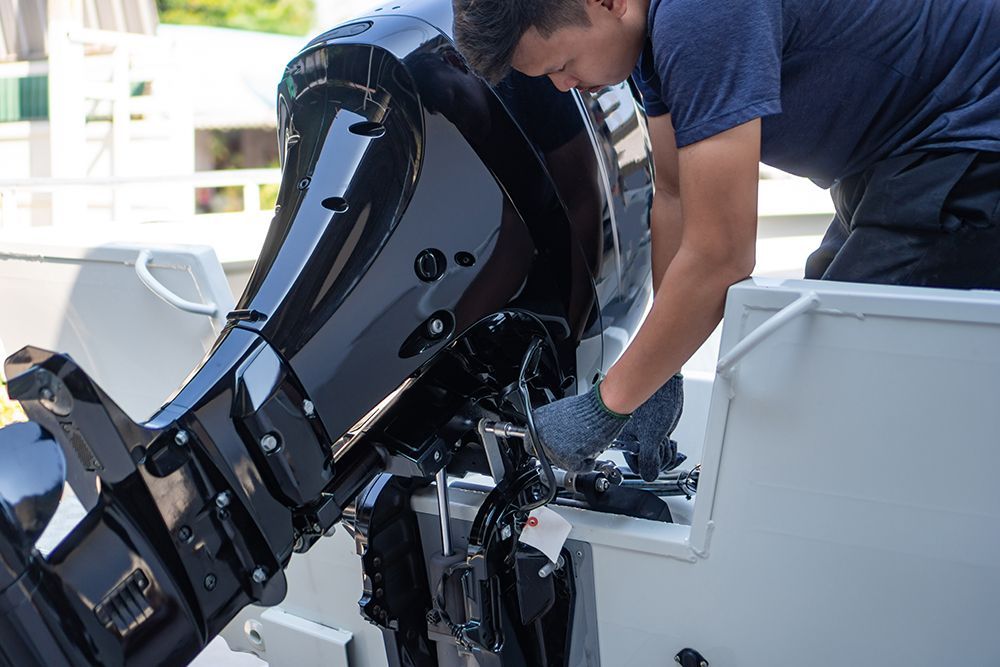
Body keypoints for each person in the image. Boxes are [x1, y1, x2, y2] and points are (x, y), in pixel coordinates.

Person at [451, 0, 1000, 476]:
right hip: (898, 153)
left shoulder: (699, 16)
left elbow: (722, 257)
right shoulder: (647, 36)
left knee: (842, 379)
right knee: (810, 359)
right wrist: (656, 373)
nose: (563, 86)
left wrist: (604, 406)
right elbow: (674, 195)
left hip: (972, 132)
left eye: (562, 65)